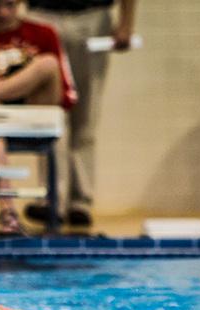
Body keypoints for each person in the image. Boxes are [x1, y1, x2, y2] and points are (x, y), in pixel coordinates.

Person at [0, 0, 77, 237]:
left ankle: (54, 207)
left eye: (9, 5)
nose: (2, 13)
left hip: (35, 114)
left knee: (48, 63)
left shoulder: (44, 33)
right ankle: (8, 214)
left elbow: (62, 92)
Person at [25, 0, 137, 229]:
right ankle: (51, 198)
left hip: (92, 16)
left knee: (85, 115)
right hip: (42, 14)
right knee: (49, 117)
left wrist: (126, 22)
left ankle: (80, 202)